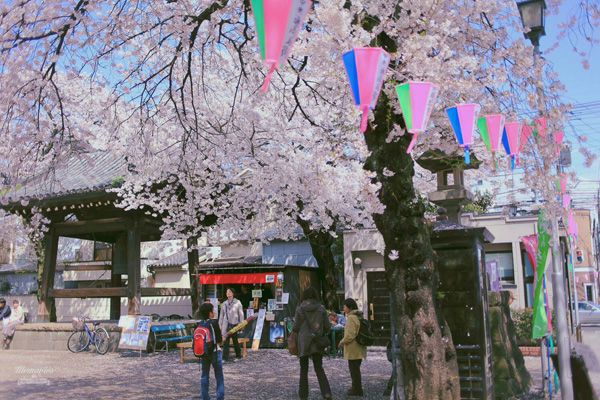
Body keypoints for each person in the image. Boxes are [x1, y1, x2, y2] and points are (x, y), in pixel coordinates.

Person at [292, 286, 332, 400]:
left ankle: (303, 395)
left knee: (303, 369)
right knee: (319, 367)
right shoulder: (321, 308)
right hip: (317, 341)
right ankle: (326, 392)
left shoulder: (300, 309)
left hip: (304, 343)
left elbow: (295, 327)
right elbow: (327, 327)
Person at [338, 298, 367, 397]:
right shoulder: (359, 316)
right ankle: (356, 387)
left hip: (353, 348)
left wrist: (342, 342)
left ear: (350, 307)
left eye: (345, 307)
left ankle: (357, 389)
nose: (344, 309)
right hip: (359, 347)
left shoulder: (351, 318)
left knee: (354, 370)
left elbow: (350, 335)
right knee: (356, 369)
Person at [198, 302, 224, 400]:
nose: (214, 312)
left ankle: (205, 397)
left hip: (204, 353)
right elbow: (219, 340)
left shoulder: (200, 324)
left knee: (204, 376)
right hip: (214, 352)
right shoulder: (213, 323)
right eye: (213, 310)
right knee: (219, 376)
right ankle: (220, 397)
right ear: (210, 313)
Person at [218, 287, 244, 361]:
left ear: (233, 293)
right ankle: (225, 357)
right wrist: (220, 326)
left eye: (229, 292)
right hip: (226, 324)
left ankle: (238, 356)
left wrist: (241, 324)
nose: (228, 293)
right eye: (227, 292)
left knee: (235, 340)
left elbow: (240, 314)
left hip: (234, 323)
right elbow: (221, 316)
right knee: (225, 341)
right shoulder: (224, 304)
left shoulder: (237, 302)